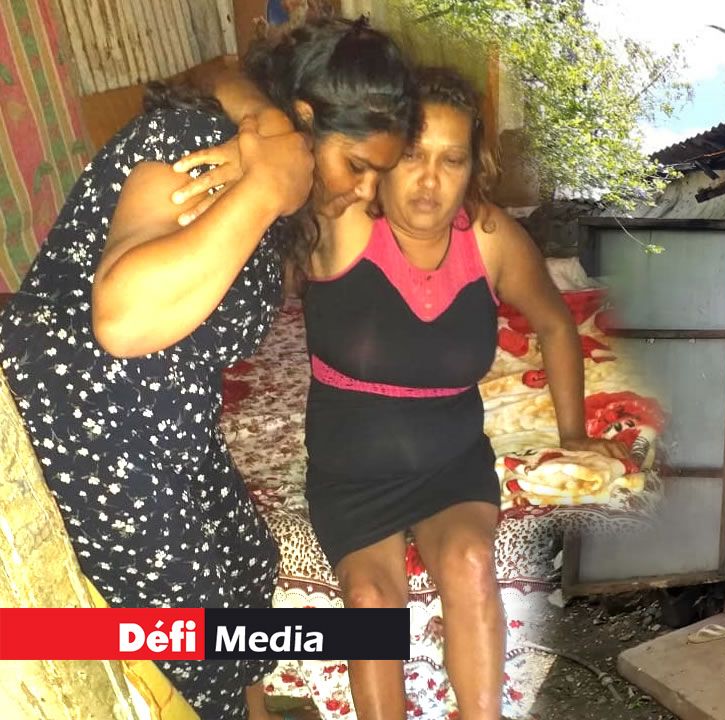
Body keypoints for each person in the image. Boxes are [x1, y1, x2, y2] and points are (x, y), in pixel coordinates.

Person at [176, 66, 628, 719]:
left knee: (470, 559)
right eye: (413, 155)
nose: (429, 180)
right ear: (383, 157)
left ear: (474, 168)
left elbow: (556, 324)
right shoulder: (340, 220)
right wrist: (248, 121)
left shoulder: (491, 239)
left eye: (452, 160)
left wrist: (574, 436)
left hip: (451, 464)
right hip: (351, 475)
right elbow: (248, 105)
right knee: (368, 601)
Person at [0, 17, 418, 719]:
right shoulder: (199, 143)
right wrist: (266, 187)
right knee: (188, 635)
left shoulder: (261, 157)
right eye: (358, 166)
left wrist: (277, 172)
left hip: (161, 419)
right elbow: (123, 320)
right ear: (306, 123)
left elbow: (224, 72)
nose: (365, 191)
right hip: (79, 423)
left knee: (247, 563)